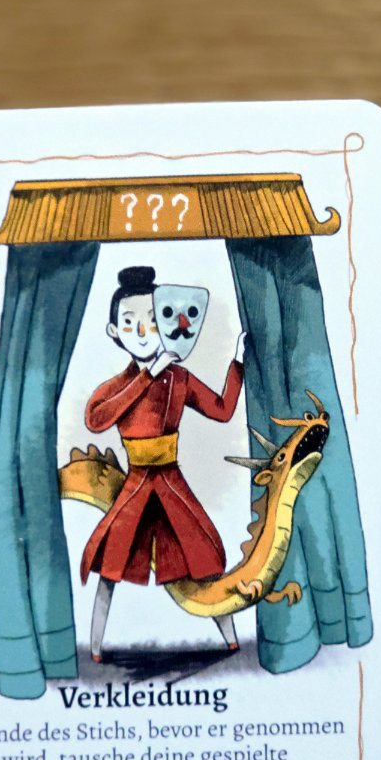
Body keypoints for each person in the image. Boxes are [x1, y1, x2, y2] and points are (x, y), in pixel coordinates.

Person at [80, 266, 246, 661]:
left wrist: (237, 363)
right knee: (109, 565)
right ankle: (96, 648)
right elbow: (96, 419)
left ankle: (231, 639)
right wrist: (145, 376)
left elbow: (222, 410)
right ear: (114, 331)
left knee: (204, 559)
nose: (141, 331)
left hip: (171, 483)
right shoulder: (116, 387)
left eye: (153, 321)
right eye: (129, 322)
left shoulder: (179, 379)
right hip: (136, 485)